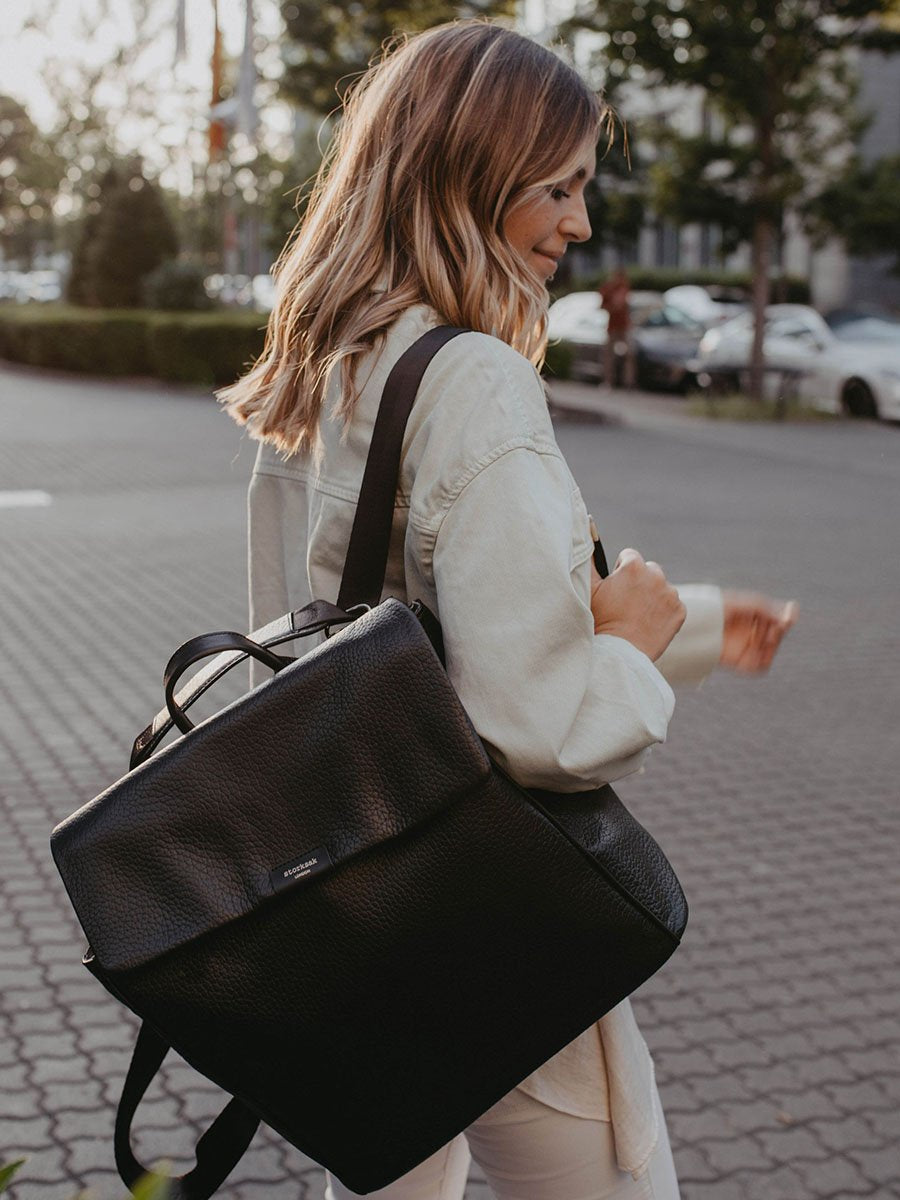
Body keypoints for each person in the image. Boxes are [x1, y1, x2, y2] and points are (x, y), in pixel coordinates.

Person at [219, 21, 796, 1200]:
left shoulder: (334, 361)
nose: (582, 224)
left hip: (354, 890)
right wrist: (638, 645)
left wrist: (686, 622)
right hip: (480, 909)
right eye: (559, 187)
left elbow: (386, 634)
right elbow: (538, 723)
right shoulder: (475, 377)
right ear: (467, 182)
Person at [599, 267, 636, 389]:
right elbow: (602, 305)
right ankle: (609, 381)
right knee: (609, 355)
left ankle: (628, 382)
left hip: (624, 326)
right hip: (613, 326)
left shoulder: (624, 288)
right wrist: (613, 306)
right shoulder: (609, 288)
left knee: (629, 355)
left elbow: (626, 305)